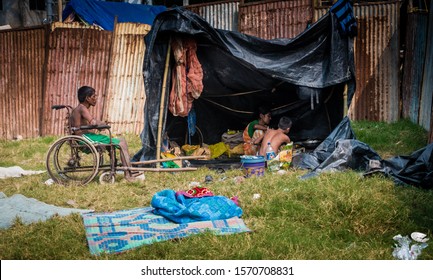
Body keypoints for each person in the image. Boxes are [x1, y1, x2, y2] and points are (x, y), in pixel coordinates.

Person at [69, 86, 138, 182]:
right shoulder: (82, 108)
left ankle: (128, 171)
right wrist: (101, 124)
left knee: (122, 141)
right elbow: (93, 122)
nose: (96, 98)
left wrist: (101, 124)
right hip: (84, 138)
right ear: (87, 98)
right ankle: (128, 174)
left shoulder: (80, 108)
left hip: (87, 135)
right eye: (94, 96)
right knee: (121, 143)